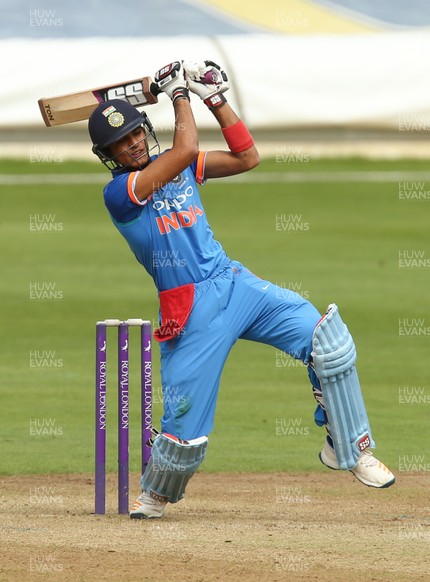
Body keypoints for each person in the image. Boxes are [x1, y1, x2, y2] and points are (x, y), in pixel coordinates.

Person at [88, 60, 395, 520]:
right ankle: (157, 492)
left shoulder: (182, 166)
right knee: (185, 429)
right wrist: (178, 93)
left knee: (326, 341)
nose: (132, 145)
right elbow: (186, 143)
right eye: (121, 143)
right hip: (190, 309)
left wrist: (215, 97)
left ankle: (349, 447)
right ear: (109, 154)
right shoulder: (121, 192)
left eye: (135, 134)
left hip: (233, 283)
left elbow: (248, 156)